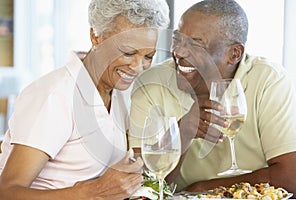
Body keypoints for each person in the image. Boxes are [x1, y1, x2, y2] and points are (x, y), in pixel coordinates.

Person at [128, 0, 296, 197]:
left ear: (234, 54)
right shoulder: (150, 83)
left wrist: (202, 190)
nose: (178, 52)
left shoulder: (268, 79)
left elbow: (292, 179)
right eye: (178, 40)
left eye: (195, 44)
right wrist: (182, 133)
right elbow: (141, 187)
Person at [0, 0, 170, 199]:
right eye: (128, 52)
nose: (137, 66)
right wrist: (92, 192)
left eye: (148, 56)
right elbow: (7, 192)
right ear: (95, 36)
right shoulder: (55, 95)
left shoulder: (120, 92)